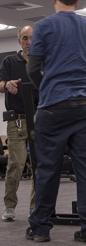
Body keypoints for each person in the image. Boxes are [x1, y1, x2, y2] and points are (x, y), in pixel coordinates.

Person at [26, 0, 86, 244]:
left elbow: (33, 68)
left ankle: (40, 229)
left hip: (52, 110)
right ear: (77, 0)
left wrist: (45, 89)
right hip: (83, 108)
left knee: (48, 169)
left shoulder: (44, 26)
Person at [0, 26, 36, 221]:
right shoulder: (9, 61)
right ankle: (9, 205)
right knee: (16, 164)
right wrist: (6, 85)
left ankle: (35, 208)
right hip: (17, 121)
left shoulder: (43, 62)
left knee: (40, 165)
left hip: (39, 119)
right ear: (19, 42)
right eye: (25, 38)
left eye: (31, 38)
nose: (28, 42)